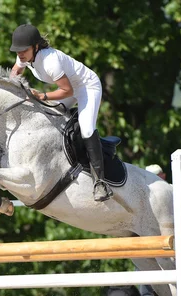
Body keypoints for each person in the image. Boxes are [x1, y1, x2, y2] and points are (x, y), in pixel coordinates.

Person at [9, 23, 113, 202]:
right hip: (69, 89)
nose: (20, 54)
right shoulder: (25, 57)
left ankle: (100, 182)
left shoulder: (50, 60)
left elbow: (68, 91)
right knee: (49, 118)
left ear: (35, 47)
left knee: (87, 128)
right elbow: (15, 72)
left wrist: (41, 95)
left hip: (87, 87)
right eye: (18, 51)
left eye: (23, 50)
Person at [136, 164, 167, 296]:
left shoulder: (169, 190)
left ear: (163, 176)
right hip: (149, 234)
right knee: (141, 260)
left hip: (165, 236)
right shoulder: (141, 193)